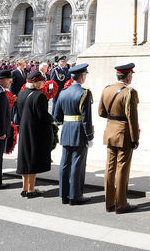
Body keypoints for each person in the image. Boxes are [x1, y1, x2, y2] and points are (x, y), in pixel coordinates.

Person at [98, 63, 140, 214]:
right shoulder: (129, 92)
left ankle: (109, 202)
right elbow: (132, 117)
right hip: (123, 133)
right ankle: (121, 203)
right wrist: (135, 138)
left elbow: (101, 112)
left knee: (110, 168)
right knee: (122, 168)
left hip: (110, 130)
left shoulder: (107, 89)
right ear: (128, 76)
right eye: (131, 75)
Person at [54, 63, 94, 205]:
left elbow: (56, 116)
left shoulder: (63, 92)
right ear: (82, 77)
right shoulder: (84, 93)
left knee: (65, 164)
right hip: (79, 132)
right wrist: (89, 136)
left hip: (66, 131)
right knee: (77, 164)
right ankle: (75, 196)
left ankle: (64, 195)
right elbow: (86, 117)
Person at [14, 70, 54, 197]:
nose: (43, 83)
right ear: (36, 83)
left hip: (24, 130)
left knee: (25, 159)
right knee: (32, 160)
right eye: (41, 81)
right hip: (35, 132)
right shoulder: (39, 96)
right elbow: (43, 116)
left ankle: (24, 188)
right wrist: (52, 120)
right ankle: (31, 189)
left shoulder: (20, 94)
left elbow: (19, 113)